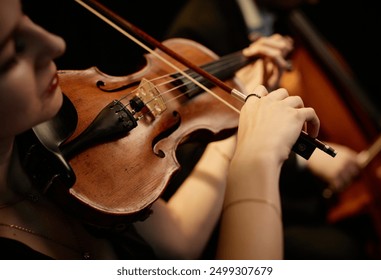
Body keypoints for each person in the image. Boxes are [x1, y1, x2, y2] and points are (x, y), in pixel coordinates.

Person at [0, 0, 321, 260]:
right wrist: (256, 162)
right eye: (11, 52)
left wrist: (237, 126)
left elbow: (178, 243)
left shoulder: (42, 137)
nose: (55, 44)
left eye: (26, 17)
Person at [165, 0, 371, 259]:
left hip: (288, 188)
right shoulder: (201, 28)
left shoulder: (286, 18)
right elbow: (190, 146)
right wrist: (308, 157)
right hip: (216, 207)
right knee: (341, 250)